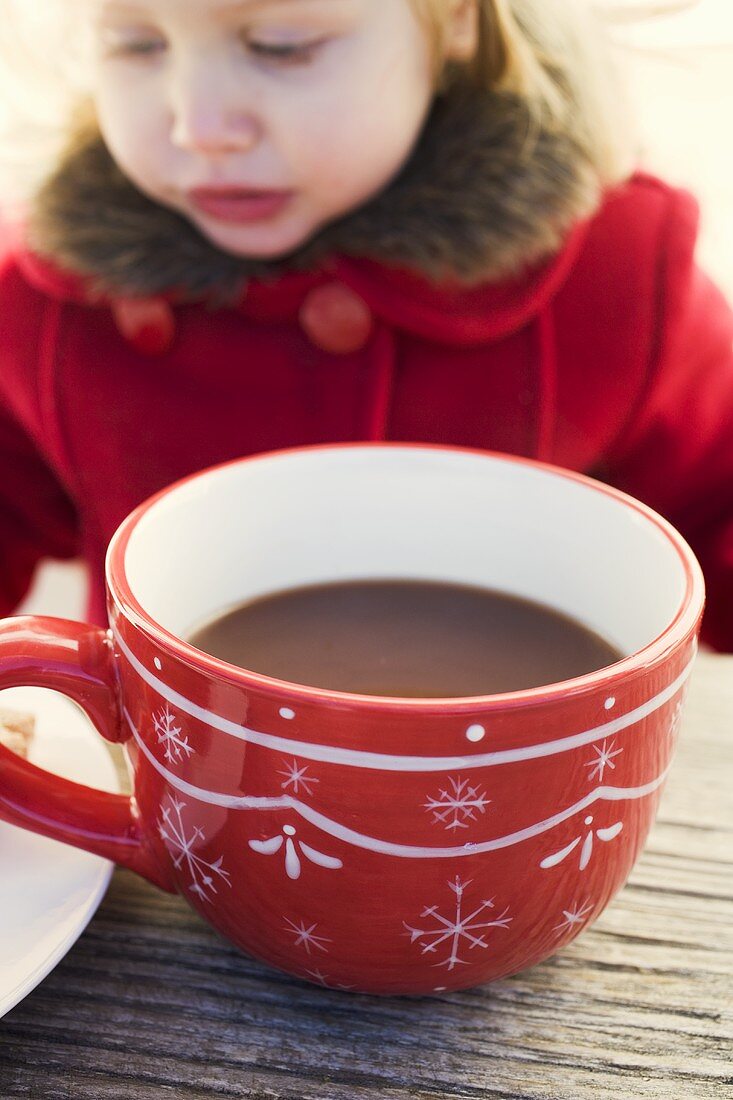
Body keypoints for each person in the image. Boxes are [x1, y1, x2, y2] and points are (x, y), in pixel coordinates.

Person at [0, 0, 731, 648]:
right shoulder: (46, 303)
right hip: (172, 788)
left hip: (507, 784)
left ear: (457, 19)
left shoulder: (612, 275)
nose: (199, 127)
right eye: (136, 42)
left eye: (280, 44)